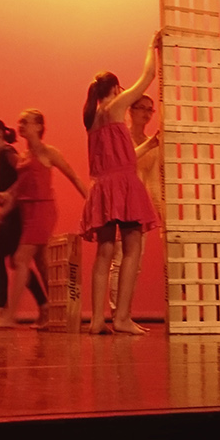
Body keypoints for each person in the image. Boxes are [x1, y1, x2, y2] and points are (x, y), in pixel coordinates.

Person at [81, 35, 161, 335]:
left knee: (104, 251)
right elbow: (148, 76)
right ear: (114, 88)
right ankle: (123, 317)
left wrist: (149, 144)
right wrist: (151, 46)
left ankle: (97, 320)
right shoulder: (115, 107)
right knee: (132, 248)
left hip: (103, 187)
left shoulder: (92, 119)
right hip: (123, 188)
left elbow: (119, 159)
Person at [0, 109, 86, 329]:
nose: (21, 125)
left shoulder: (48, 152)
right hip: (27, 212)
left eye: (26, 122)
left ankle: (9, 316)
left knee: (20, 259)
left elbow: (73, 176)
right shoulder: (24, 156)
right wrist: (1, 211)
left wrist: (90, 202)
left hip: (42, 211)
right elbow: (17, 192)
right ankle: (54, 312)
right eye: (20, 122)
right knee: (41, 263)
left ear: (39, 126)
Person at [0, 117, 48, 326]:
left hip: (15, 215)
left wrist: (8, 193)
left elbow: (25, 174)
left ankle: (4, 311)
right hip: (13, 214)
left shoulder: (8, 153)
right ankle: (43, 305)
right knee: (15, 262)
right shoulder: (3, 155)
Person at [107, 93, 162, 314]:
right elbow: (123, 162)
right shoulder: (121, 136)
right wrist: (149, 145)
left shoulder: (153, 145)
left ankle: (124, 313)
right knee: (119, 260)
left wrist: (161, 213)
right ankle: (116, 311)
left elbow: (154, 183)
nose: (146, 113)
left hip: (140, 206)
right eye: (142, 108)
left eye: (150, 109)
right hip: (121, 202)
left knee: (134, 264)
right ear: (130, 110)